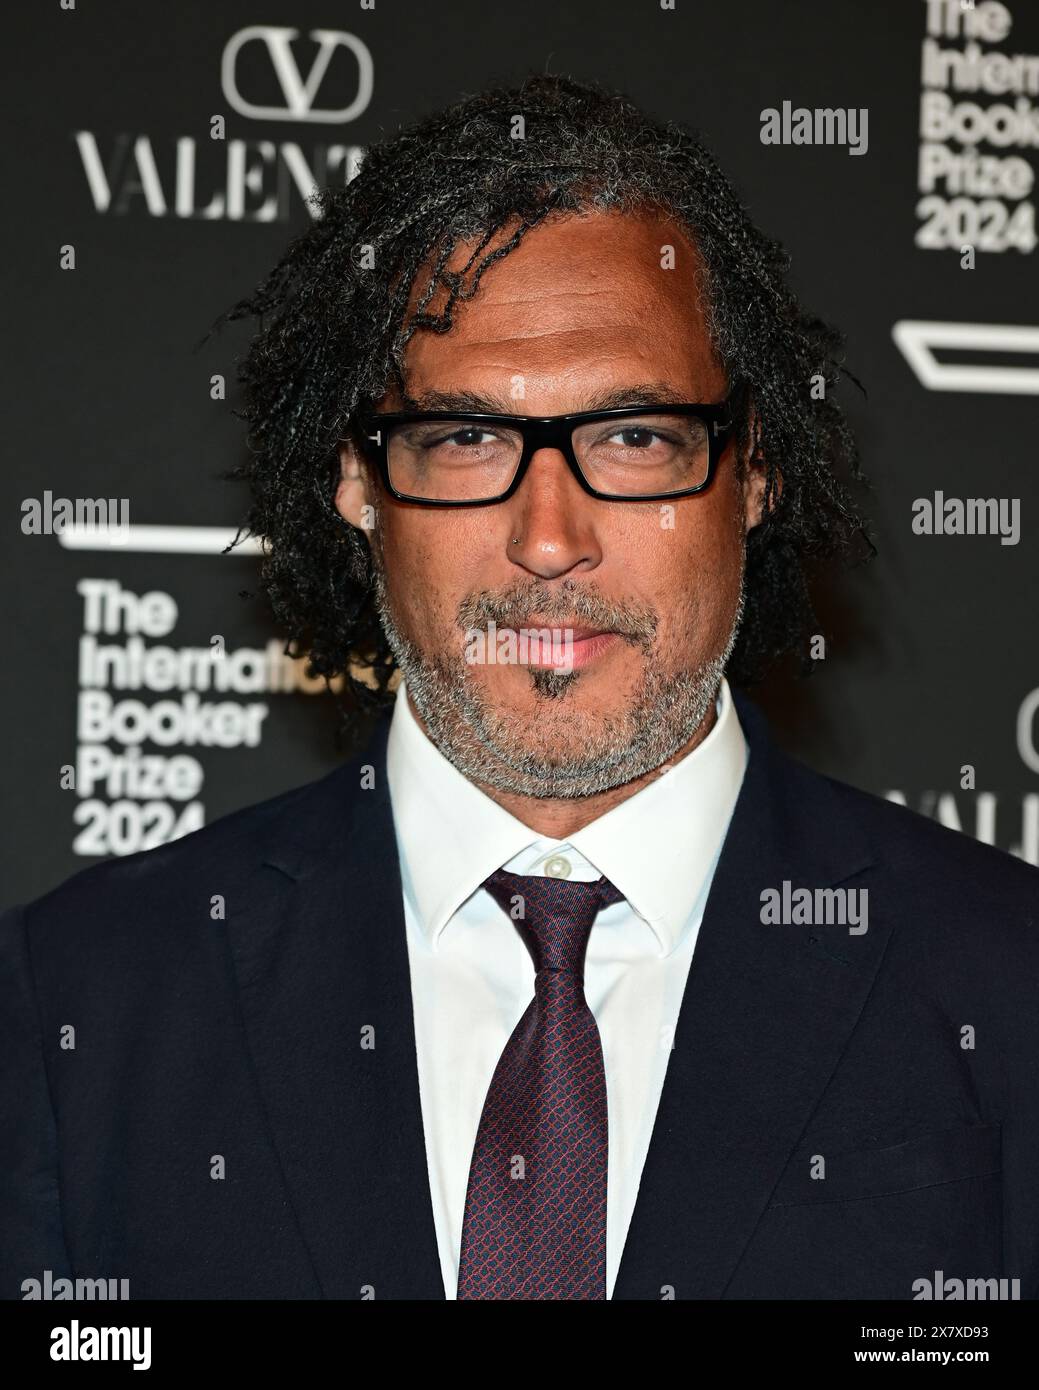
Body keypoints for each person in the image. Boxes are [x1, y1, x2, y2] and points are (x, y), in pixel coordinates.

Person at [3, 74, 1037, 1302]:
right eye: (466, 439)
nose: (549, 539)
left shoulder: (1004, 982)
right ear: (354, 480)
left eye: (634, 437)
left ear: (752, 470)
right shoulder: (80, 999)